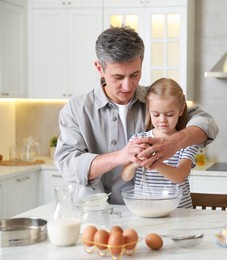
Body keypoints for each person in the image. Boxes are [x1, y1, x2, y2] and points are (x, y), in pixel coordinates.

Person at [55, 27, 218, 204]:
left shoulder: (155, 99)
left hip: (148, 213)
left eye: (135, 74)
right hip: (95, 213)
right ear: (99, 68)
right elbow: (68, 166)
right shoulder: (77, 109)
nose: (127, 86)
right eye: (118, 77)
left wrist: (173, 143)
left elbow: (207, 122)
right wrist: (120, 157)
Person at [121, 78, 198, 208]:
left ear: (180, 110)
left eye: (169, 114)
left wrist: (153, 162)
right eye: (156, 115)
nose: (162, 120)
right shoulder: (138, 140)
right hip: (145, 210)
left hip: (179, 213)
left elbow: (179, 176)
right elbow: (125, 176)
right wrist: (136, 163)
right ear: (148, 109)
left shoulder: (186, 142)